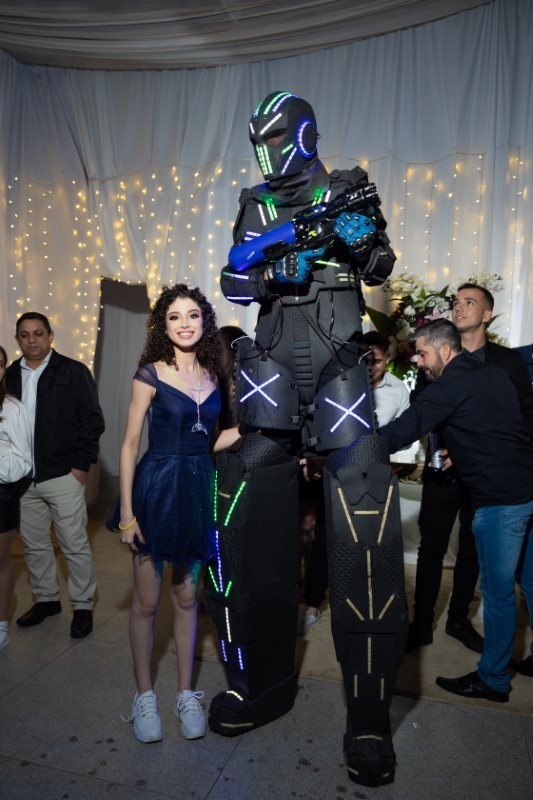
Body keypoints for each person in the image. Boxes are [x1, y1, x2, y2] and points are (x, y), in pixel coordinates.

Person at [212, 90, 407, 788]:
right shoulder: (255, 204)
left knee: (364, 511)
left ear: (303, 135)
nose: (265, 153)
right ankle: (257, 685)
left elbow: (380, 266)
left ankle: (368, 720)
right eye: (257, 141)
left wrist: (354, 239)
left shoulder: (347, 187)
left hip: (338, 371)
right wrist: (273, 271)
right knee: (237, 501)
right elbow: (234, 279)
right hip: (268, 372)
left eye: (274, 138)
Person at [380, 318, 533, 702]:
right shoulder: (496, 376)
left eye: (422, 353)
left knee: (497, 594)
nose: (418, 361)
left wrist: (344, 449)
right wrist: (461, 452)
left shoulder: (447, 386)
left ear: (445, 350)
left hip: (500, 501)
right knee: (530, 583)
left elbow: (399, 432)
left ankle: (493, 679)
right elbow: (498, 429)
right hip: (527, 487)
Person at [112, 284, 239, 744]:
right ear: (162, 326)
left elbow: (211, 439)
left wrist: (252, 429)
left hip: (198, 489)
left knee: (187, 599)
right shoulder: (150, 374)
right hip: (156, 489)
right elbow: (129, 445)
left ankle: (186, 693)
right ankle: (144, 696)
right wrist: (128, 514)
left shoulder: (214, 375)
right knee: (147, 603)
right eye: (174, 317)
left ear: (204, 321)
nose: (185, 324)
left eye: (192, 315)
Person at [408, 283, 533, 653]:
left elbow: (524, 416)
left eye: (469, 302)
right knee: (431, 545)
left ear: (487, 314)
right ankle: (421, 623)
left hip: (486, 474)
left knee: (472, 549)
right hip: (442, 468)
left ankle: (458, 619)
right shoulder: (434, 354)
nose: (458, 308)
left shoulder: (507, 362)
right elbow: (421, 407)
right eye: (455, 302)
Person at [299, 330, 410, 634]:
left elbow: (404, 434)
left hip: (375, 475)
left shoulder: (398, 390)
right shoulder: (340, 384)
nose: (370, 366)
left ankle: (366, 604)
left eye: (376, 361)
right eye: (364, 360)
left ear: (388, 358)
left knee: (372, 543)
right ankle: (312, 605)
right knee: (325, 540)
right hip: (338, 470)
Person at [6, 313, 105, 639]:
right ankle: (46, 599)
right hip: (24, 480)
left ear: (50, 335)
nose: (31, 340)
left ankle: (83, 606)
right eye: (24, 335)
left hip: (63, 474)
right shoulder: (10, 375)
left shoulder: (73, 372)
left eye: (38, 333)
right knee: (34, 544)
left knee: (74, 544)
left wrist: (80, 467)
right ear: (17, 340)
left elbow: (92, 421)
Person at [0, 346, 32, 651]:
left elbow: (24, 461)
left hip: (1, 494)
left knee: (0, 562)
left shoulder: (13, 408)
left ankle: (0, 625)